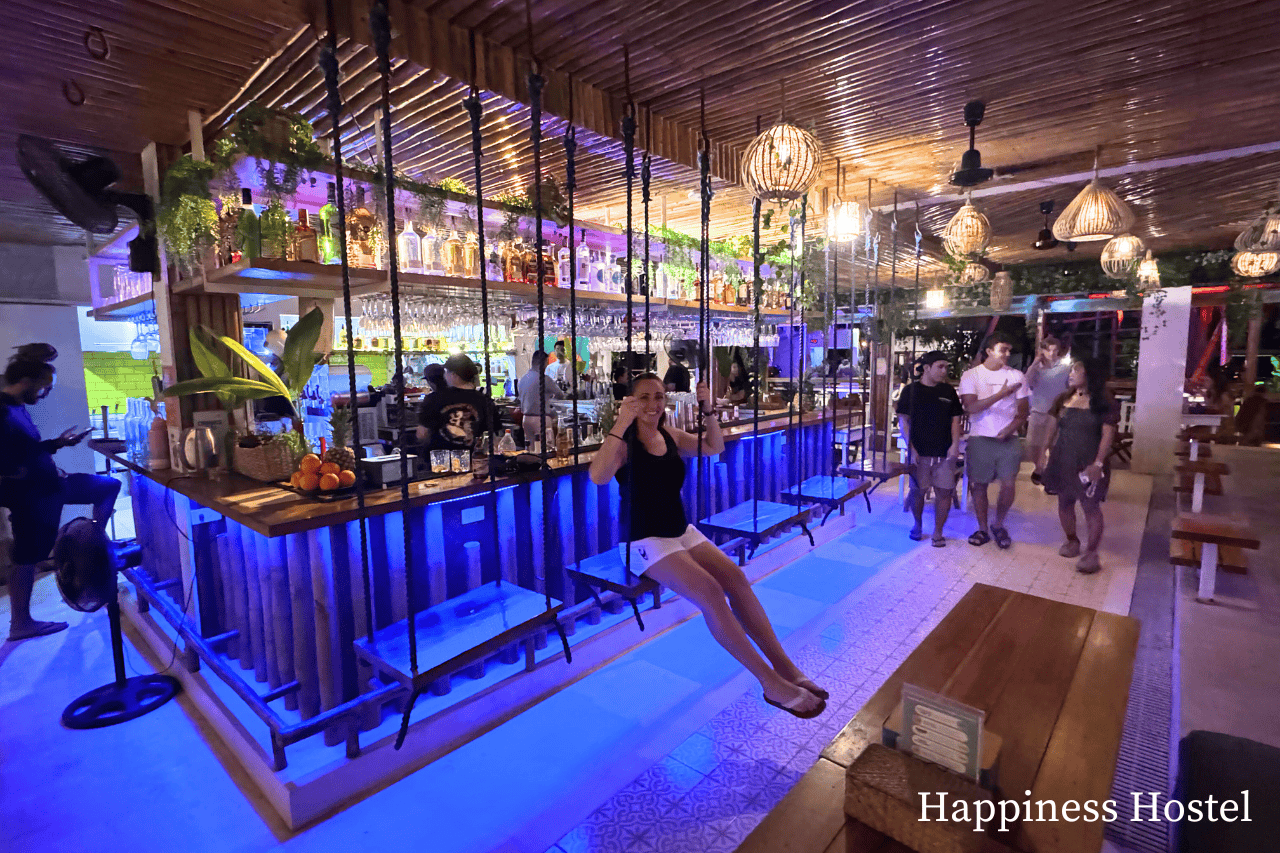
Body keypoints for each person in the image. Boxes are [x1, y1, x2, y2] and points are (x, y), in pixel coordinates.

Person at [588, 374, 827, 719]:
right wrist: (621, 421)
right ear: (630, 401)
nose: (653, 405)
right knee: (712, 593)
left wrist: (709, 411)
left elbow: (713, 447)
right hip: (644, 540)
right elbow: (597, 476)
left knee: (736, 580)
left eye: (658, 396)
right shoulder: (624, 442)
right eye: (644, 398)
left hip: (680, 531)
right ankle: (770, 683)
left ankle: (785, 668)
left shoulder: (667, 433)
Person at [2, 350, 121, 641]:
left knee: (107, 486)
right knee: (26, 556)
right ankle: (21, 623)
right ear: (27, 381)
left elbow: (26, 451)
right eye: (44, 387)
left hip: (49, 486)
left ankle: (90, 547)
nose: (45, 394)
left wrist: (57, 445)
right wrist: (33, 473)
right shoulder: (2, 411)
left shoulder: (16, 406)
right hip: (31, 495)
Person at [1042, 357, 1120, 573]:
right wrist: (1043, 453)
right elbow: (1051, 429)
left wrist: (1098, 463)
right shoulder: (1063, 399)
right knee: (1064, 502)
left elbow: (1107, 435)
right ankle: (1072, 540)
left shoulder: (1104, 402)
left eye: (1076, 371)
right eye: (1071, 371)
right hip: (1063, 459)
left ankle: (1091, 552)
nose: (1071, 375)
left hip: (1089, 462)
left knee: (1090, 507)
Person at [959, 332, 1031, 549]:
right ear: (989, 351)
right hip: (980, 437)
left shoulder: (1018, 376)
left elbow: (1023, 412)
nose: (1007, 354)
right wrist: (1002, 394)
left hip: (1009, 439)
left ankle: (998, 524)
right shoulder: (971, 376)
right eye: (1003, 350)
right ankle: (982, 528)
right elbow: (971, 408)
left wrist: (1009, 429)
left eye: (1009, 350)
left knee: (1008, 484)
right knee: (978, 485)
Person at [896, 351, 964, 547]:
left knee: (945, 492)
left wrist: (955, 445)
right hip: (920, 451)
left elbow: (955, 420)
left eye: (946, 367)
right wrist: (912, 448)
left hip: (944, 450)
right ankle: (917, 525)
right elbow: (904, 421)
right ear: (926, 368)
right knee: (918, 491)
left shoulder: (948, 391)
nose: (944, 371)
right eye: (940, 366)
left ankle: (938, 531)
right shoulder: (910, 391)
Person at [416, 354, 498, 452]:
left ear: (454, 375)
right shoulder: (484, 400)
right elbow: (494, 436)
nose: (445, 376)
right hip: (475, 459)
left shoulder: (433, 398)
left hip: (440, 461)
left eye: (446, 372)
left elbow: (422, 433)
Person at [1024, 335, 1070, 486]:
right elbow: (1026, 382)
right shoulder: (1036, 369)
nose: (1052, 353)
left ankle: (1049, 472)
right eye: (1049, 350)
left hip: (1058, 412)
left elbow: (1071, 386)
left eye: (1055, 350)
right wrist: (1034, 363)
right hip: (1038, 410)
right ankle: (1039, 467)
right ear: (1042, 351)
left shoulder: (1064, 368)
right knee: (1032, 443)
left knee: (1054, 445)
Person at [517, 350, 563, 443]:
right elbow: (560, 394)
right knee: (546, 449)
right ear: (542, 362)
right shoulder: (544, 379)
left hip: (526, 420)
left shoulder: (523, 378)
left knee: (531, 450)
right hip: (541, 419)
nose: (546, 366)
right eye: (546, 362)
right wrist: (552, 406)